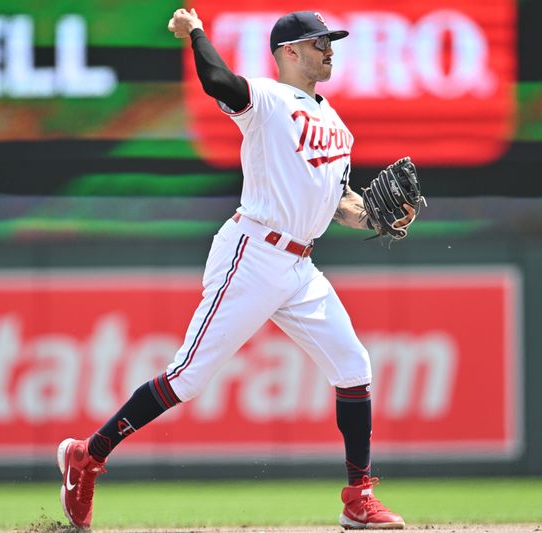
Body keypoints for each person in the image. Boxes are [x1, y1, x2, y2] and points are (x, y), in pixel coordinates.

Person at [57, 8, 414, 530]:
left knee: (354, 366)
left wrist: (378, 218)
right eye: (318, 43)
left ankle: (358, 497)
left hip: (301, 266)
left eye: (329, 42)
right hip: (253, 254)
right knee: (188, 377)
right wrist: (196, 32)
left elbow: (340, 204)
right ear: (289, 52)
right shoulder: (266, 100)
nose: (328, 50)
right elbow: (217, 81)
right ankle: (87, 455)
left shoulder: (338, 127)